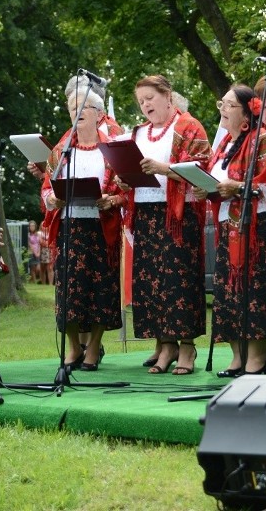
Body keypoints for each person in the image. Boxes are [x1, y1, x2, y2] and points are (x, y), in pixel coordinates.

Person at [117, 75, 211, 375]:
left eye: (150, 98)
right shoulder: (139, 132)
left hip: (178, 215)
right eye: (140, 101)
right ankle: (165, 343)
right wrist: (124, 177)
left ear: (167, 96)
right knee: (151, 282)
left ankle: (187, 346)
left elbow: (201, 168)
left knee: (179, 281)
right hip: (145, 212)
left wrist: (164, 169)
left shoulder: (189, 126)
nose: (145, 105)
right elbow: (132, 168)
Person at [195, 86, 266, 377]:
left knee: (253, 292)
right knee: (228, 292)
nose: (222, 108)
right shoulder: (223, 146)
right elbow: (218, 182)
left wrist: (236, 188)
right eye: (221, 102)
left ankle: (258, 355)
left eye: (229, 104)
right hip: (227, 227)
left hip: (257, 228)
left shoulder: (264, 140)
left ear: (247, 112)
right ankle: (237, 355)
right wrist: (206, 189)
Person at [39, 90, 123, 371]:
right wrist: (53, 199)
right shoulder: (62, 150)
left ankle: (94, 346)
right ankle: (73, 347)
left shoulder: (112, 148)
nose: (76, 111)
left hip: (101, 227)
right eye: (72, 107)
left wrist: (111, 199)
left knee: (101, 288)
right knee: (69, 289)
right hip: (70, 225)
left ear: (99, 115)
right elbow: (47, 188)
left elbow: (128, 189)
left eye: (83, 106)